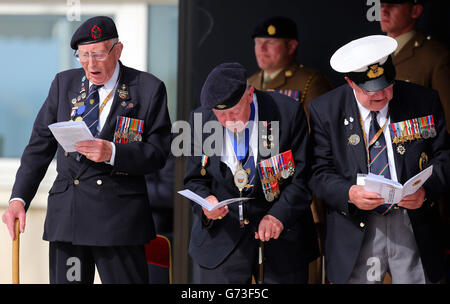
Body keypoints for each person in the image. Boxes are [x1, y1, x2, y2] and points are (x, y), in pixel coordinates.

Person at [1, 16, 171, 284]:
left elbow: (158, 153)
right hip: (70, 219)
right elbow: (39, 146)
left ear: (118, 50)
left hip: (120, 222)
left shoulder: (148, 89)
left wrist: (113, 153)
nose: (90, 64)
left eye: (98, 54)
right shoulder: (63, 84)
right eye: (82, 55)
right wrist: (18, 199)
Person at [308, 35, 450, 283]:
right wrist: (349, 193)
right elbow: (318, 172)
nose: (382, 95)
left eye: (387, 85)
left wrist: (425, 190)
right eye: (370, 91)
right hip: (357, 226)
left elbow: (445, 156)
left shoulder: (422, 100)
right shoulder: (326, 110)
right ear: (350, 82)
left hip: (411, 222)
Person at [184, 62, 318, 283]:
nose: (229, 121)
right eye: (220, 115)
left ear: (249, 94)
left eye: (234, 111)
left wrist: (278, 216)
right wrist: (205, 204)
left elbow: (302, 177)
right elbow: (194, 179)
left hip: (282, 240)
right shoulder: (201, 120)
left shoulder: (287, 111)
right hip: (222, 241)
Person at [248, 16, 333, 283]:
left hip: (295, 190)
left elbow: (321, 139)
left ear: (291, 46)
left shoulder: (309, 81)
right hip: (253, 192)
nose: (261, 49)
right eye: (258, 43)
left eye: (270, 43)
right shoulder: (249, 83)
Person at [380, 0, 450, 133]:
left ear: (415, 11)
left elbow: (446, 121)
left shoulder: (435, 57)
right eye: (382, 5)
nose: (384, 11)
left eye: (393, 5)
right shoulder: (372, 52)